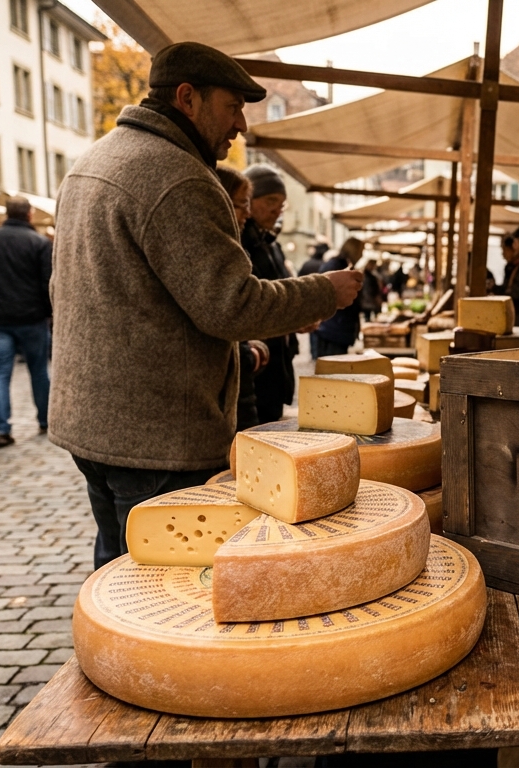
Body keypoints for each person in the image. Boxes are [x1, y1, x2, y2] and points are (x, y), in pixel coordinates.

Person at [49, 42, 362, 569]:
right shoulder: (176, 175)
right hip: (155, 433)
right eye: (233, 106)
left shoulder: (94, 160)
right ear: (188, 98)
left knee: (118, 571)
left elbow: (74, 290)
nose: (240, 124)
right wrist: (324, 290)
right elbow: (231, 304)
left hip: (96, 422)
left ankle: (111, 651)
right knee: (168, 588)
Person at [0, 197, 53, 448]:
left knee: (0, 373)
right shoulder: (38, 242)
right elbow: (48, 282)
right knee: (38, 371)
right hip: (32, 318)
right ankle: (46, 420)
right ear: (30, 214)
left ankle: (1, 429)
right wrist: (47, 312)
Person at [241, 164, 300, 423]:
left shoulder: (270, 244)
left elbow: (282, 290)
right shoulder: (240, 241)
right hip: (255, 366)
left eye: (282, 204)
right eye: (271, 200)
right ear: (248, 201)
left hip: (278, 364)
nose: (277, 210)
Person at [216, 166, 271, 432]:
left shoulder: (247, 243)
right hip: (234, 393)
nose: (247, 213)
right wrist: (250, 354)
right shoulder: (228, 249)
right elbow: (231, 309)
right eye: (241, 205)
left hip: (247, 386)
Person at [313, 238, 364, 357]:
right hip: (333, 329)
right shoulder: (336, 266)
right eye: (361, 251)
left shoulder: (343, 265)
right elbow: (323, 294)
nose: (362, 254)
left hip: (337, 328)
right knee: (332, 369)